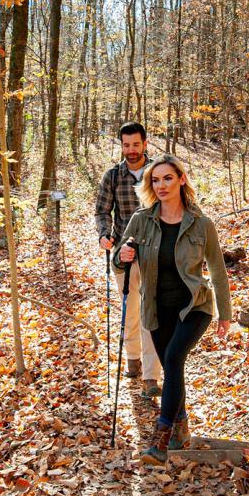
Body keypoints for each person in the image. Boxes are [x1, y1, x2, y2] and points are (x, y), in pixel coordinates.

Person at [115, 154, 232, 464]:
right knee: (171, 368)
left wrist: (225, 314)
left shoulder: (201, 224)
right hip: (157, 308)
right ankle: (181, 426)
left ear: (181, 179)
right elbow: (119, 257)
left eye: (168, 178)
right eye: (156, 180)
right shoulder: (142, 220)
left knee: (173, 357)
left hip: (195, 306)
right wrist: (124, 253)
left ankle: (162, 437)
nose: (162, 185)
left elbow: (218, 272)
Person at [94, 123, 161, 393]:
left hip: (155, 252)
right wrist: (103, 234)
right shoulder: (112, 176)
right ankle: (132, 357)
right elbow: (101, 211)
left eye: (136, 144)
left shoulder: (158, 173)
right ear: (121, 145)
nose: (131, 150)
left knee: (151, 312)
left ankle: (151, 375)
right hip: (124, 253)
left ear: (145, 144)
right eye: (126, 145)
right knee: (130, 309)